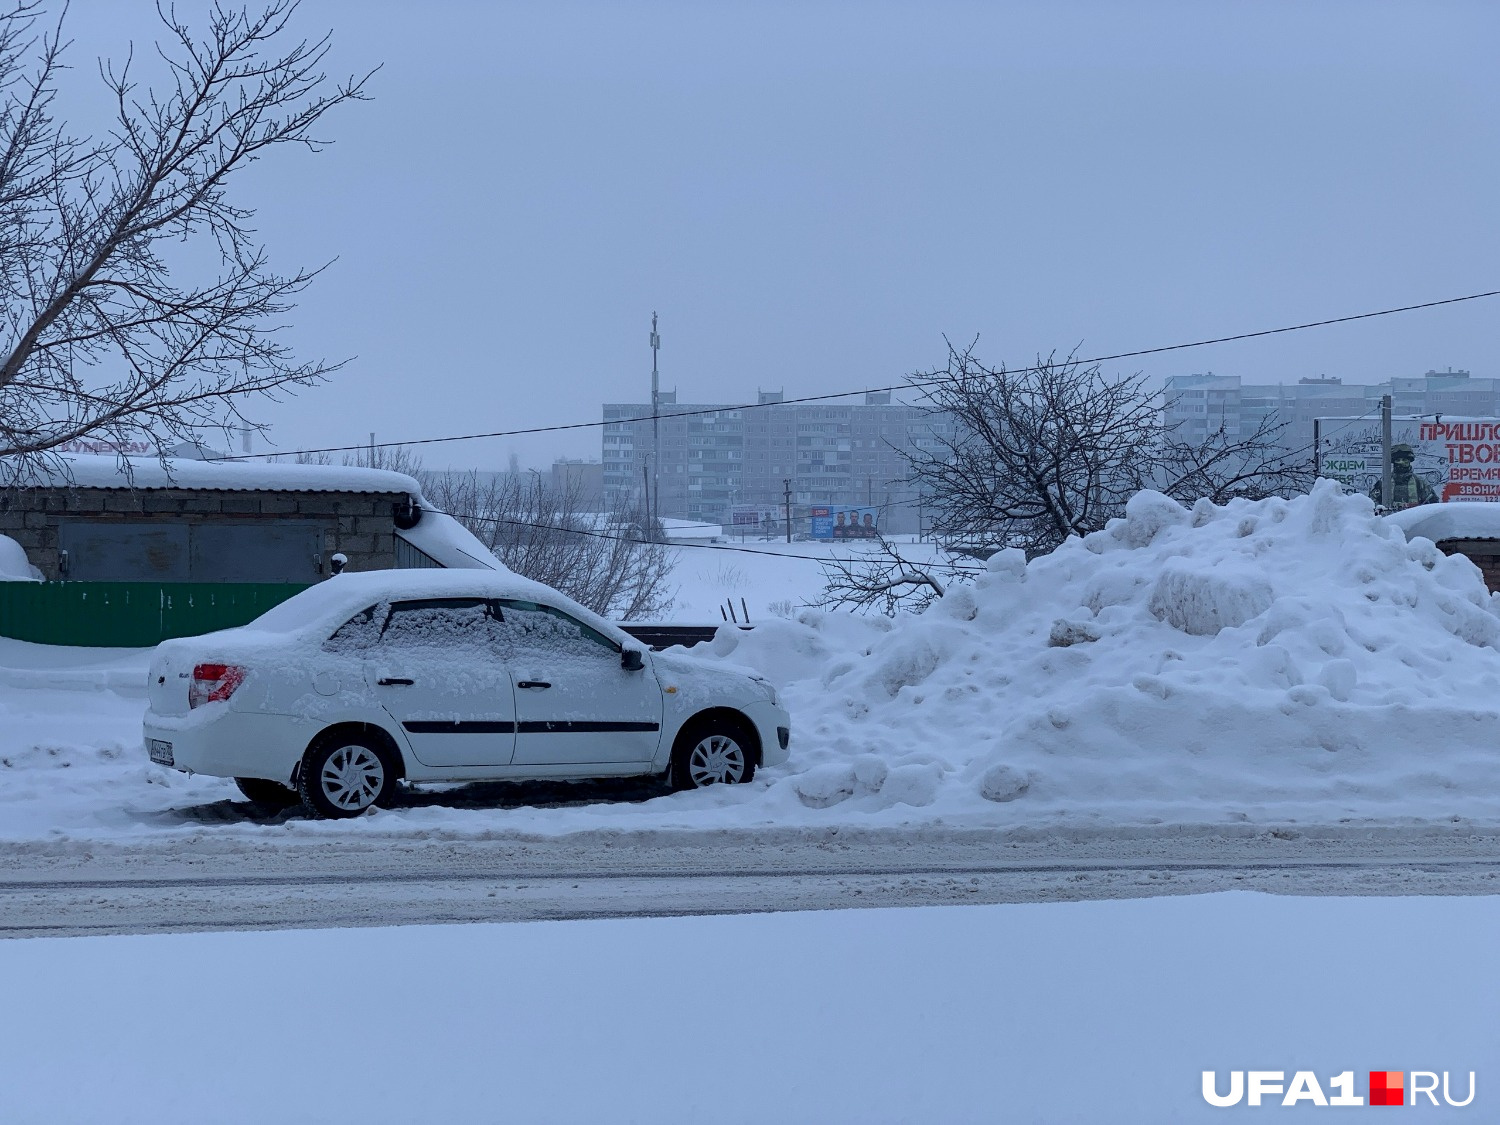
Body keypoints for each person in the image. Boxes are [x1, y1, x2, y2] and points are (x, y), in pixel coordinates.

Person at [1368, 444, 1437, 508]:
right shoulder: (1383, 483)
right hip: (1389, 519)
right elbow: (1372, 503)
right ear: (1393, 462)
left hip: (1414, 519)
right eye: (1398, 460)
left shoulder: (1419, 482)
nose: (1401, 462)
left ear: (1409, 461)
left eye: (1404, 460)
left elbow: (1432, 505)